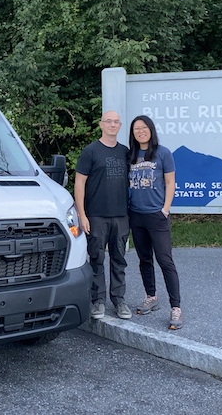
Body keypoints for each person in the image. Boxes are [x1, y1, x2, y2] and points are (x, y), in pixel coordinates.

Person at [127, 115, 183, 330]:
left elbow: (170, 182)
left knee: (165, 260)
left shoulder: (163, 153)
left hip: (156, 215)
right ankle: (151, 296)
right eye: (136, 129)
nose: (140, 131)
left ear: (151, 130)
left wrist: (165, 209)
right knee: (144, 259)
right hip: (136, 215)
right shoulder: (130, 155)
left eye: (144, 128)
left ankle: (176, 307)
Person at [74, 110, 131, 320]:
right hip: (96, 215)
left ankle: (119, 300)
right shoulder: (90, 151)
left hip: (121, 215)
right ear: (101, 124)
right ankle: (98, 301)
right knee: (96, 259)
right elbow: (79, 183)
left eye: (116, 122)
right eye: (109, 121)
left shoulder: (125, 152)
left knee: (119, 259)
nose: (112, 125)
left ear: (120, 125)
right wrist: (82, 214)